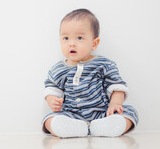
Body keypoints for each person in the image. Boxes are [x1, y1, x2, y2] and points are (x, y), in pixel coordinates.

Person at [42, 9, 139, 138]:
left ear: (94, 43)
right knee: (49, 120)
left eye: (79, 38)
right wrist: (52, 101)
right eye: (66, 38)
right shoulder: (58, 69)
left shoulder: (104, 64)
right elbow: (51, 89)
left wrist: (115, 105)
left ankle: (106, 127)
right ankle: (73, 129)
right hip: (71, 115)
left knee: (130, 113)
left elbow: (117, 87)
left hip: (103, 114)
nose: (71, 43)